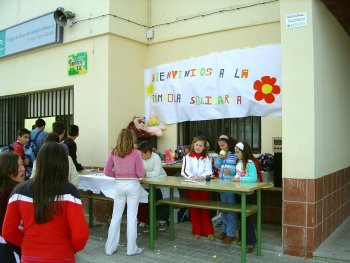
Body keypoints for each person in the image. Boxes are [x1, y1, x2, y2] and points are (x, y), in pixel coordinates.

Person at [2, 142, 89, 263]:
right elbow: (81, 233)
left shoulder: (18, 191)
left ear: (39, 162)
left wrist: (26, 243)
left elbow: (8, 231)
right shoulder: (70, 192)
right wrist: (71, 248)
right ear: (63, 164)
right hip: (62, 256)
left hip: (29, 256)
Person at [104, 129, 145, 256]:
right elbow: (140, 173)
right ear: (132, 139)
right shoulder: (137, 153)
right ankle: (131, 249)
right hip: (133, 185)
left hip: (119, 185)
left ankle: (109, 248)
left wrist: (117, 174)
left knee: (116, 216)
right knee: (131, 217)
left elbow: (107, 171)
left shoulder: (114, 152)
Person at [181, 136, 215, 240]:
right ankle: (196, 230)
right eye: (196, 145)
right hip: (192, 184)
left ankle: (208, 231)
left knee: (205, 207)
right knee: (194, 208)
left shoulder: (207, 158)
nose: (198, 147)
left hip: (204, 185)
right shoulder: (187, 157)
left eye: (200, 145)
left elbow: (209, 171)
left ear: (204, 147)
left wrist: (203, 177)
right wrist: (192, 177)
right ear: (193, 145)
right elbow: (185, 170)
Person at [137, 141, 170, 232]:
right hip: (148, 183)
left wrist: (145, 173)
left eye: (142, 154)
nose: (140, 156)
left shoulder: (156, 158)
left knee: (162, 199)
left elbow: (157, 173)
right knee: (145, 198)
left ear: (148, 153)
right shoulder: (140, 158)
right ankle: (147, 221)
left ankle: (163, 221)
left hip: (161, 183)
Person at [232, 141, 258, 253]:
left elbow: (253, 178)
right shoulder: (239, 162)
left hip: (248, 194)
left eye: (238, 152)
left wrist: (240, 179)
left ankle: (250, 242)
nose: (236, 154)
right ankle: (242, 238)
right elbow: (238, 174)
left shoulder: (250, 163)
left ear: (244, 151)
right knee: (240, 217)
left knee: (247, 218)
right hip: (239, 193)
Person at [0, 152, 25, 263]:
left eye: (22, 164)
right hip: (9, 249)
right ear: (7, 169)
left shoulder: (15, 190)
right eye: (17, 166)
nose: (22, 169)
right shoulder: (7, 194)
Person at [214, 134, 238, 244]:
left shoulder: (235, 155)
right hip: (221, 183)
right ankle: (224, 230)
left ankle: (230, 233)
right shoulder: (221, 154)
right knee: (224, 208)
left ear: (228, 144)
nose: (221, 147)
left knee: (231, 209)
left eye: (223, 145)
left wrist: (232, 172)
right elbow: (216, 165)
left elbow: (240, 169)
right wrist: (220, 158)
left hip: (231, 184)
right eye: (219, 146)